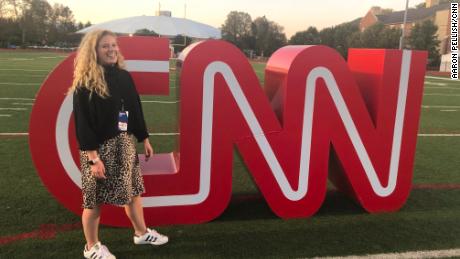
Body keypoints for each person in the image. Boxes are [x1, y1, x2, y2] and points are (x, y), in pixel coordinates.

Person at [69, 29, 168, 259]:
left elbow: (134, 108)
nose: (112, 49)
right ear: (94, 51)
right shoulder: (85, 82)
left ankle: (141, 233)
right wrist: (93, 158)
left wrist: (144, 137)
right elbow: (83, 124)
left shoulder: (124, 76)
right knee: (93, 201)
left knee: (134, 192)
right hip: (98, 151)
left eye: (114, 45)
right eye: (105, 46)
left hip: (124, 145)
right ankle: (91, 247)